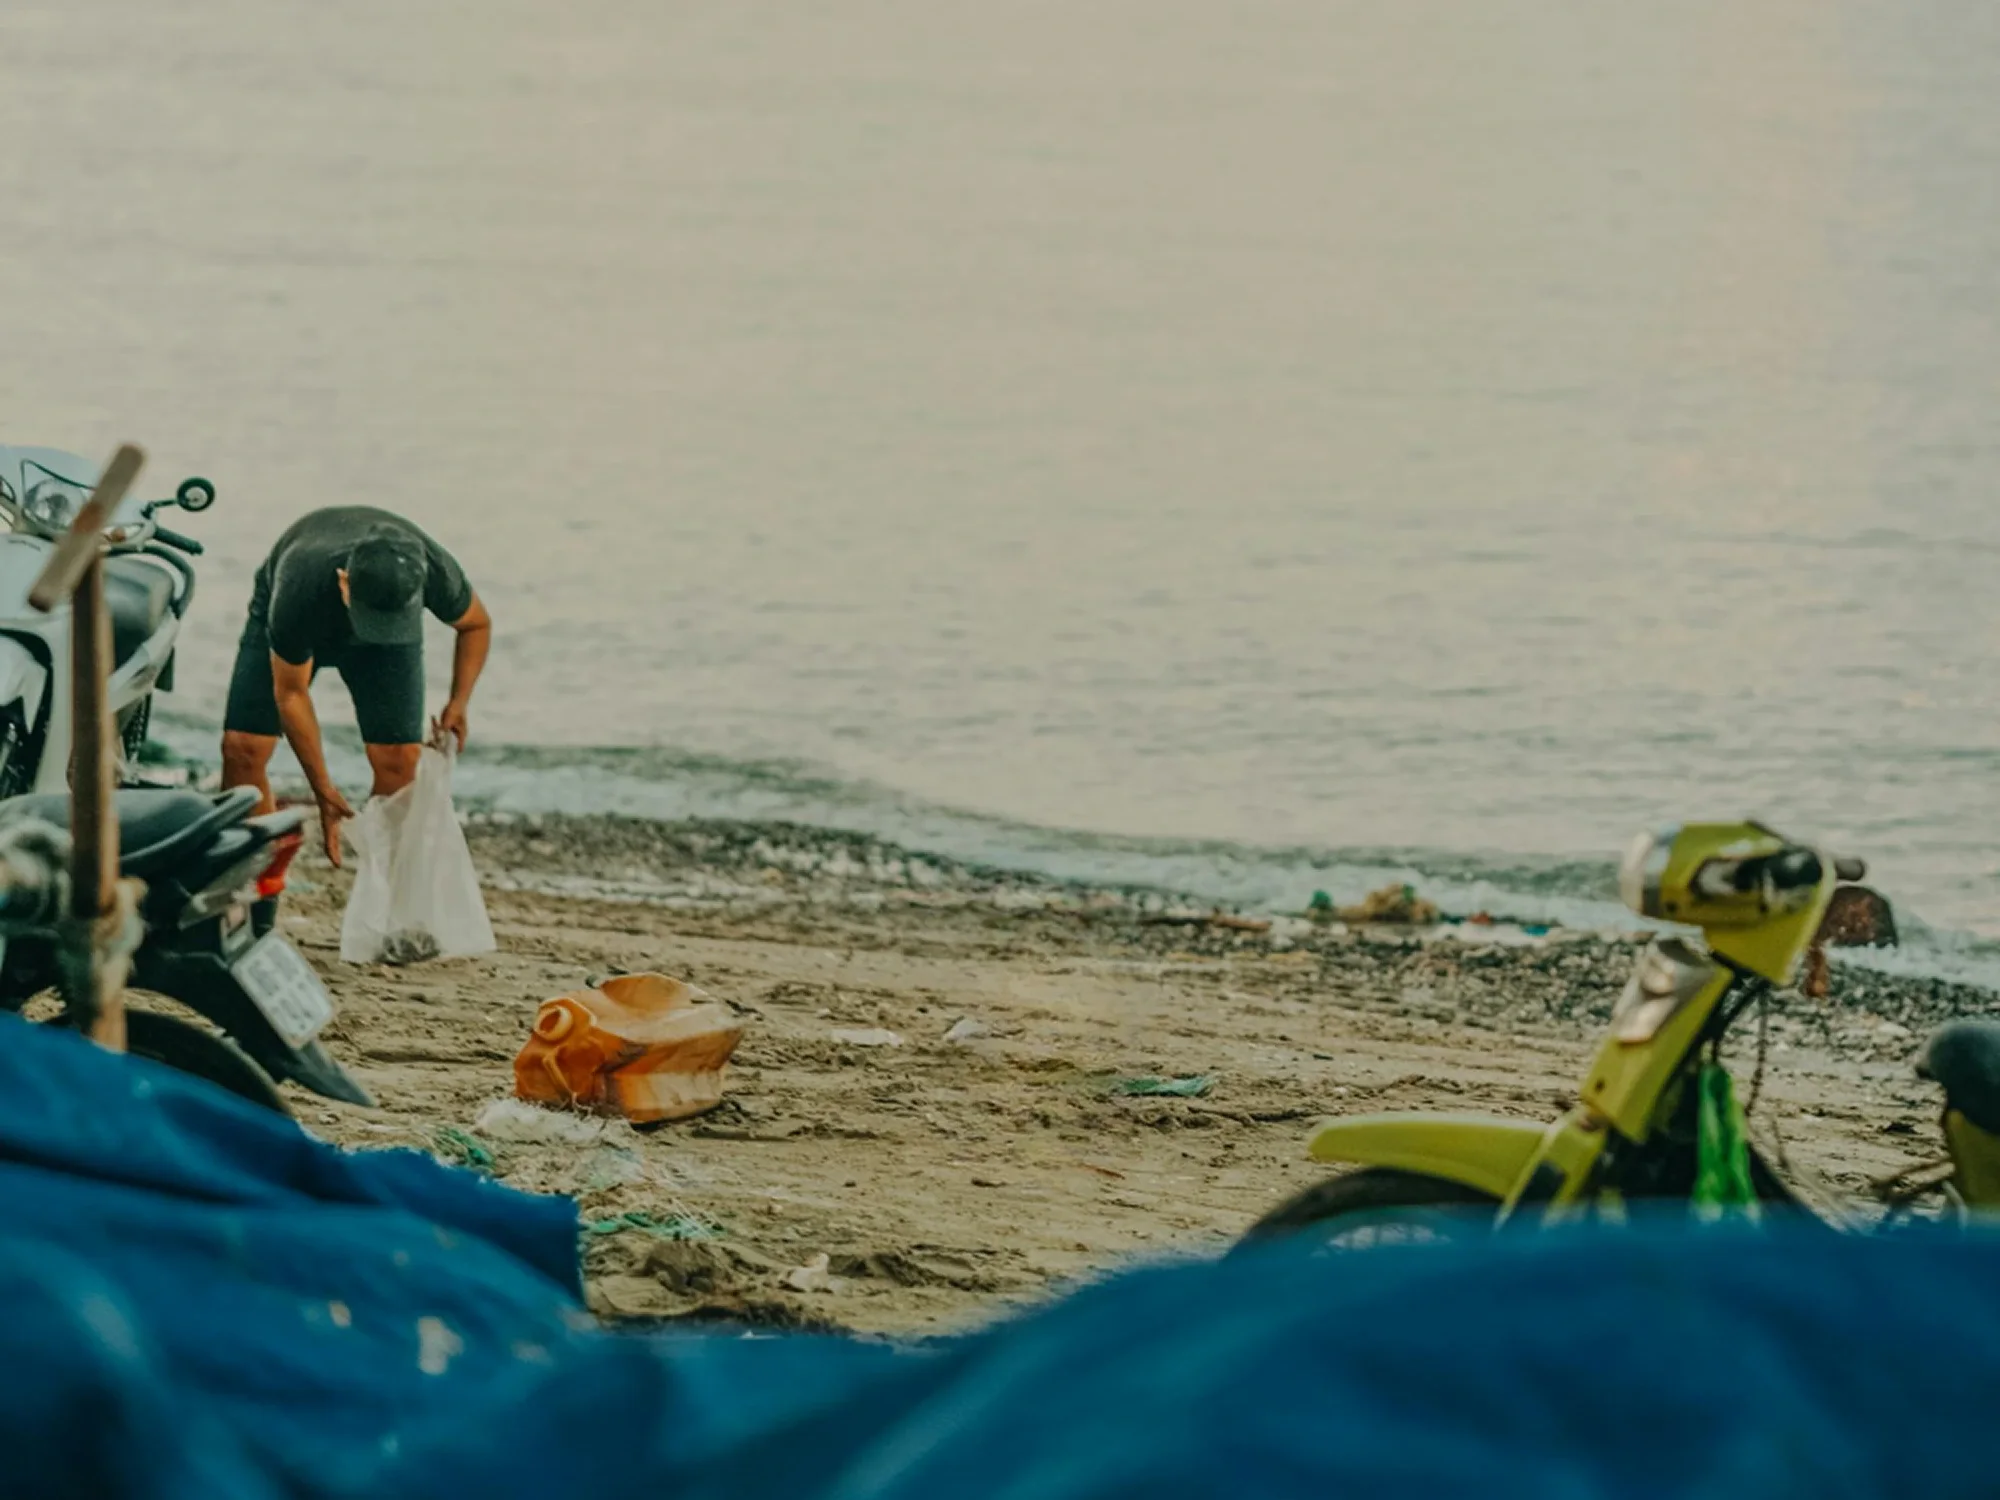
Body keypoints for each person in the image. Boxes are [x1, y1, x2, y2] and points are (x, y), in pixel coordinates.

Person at [220, 508, 491, 865]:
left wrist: (459, 702)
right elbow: (291, 693)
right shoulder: (300, 588)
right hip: (302, 607)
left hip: (384, 637)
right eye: (372, 621)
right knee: (244, 749)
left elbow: (475, 625)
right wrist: (323, 789)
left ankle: (385, 891)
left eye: (388, 623)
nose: (376, 629)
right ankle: (255, 879)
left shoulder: (431, 570)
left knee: (399, 761)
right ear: (344, 582)